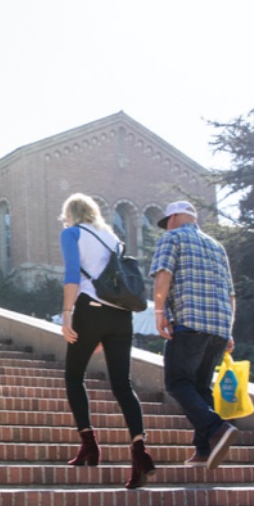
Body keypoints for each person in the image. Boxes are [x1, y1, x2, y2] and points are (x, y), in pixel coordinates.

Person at [57, 193, 154, 489]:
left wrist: (67, 313)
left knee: (74, 377)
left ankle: (89, 445)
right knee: (122, 385)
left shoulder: (72, 233)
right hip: (122, 316)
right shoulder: (113, 238)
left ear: (69, 214)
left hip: (91, 310)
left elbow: (73, 274)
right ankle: (140, 454)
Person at [149, 200, 239, 470]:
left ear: (174, 217)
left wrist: (159, 312)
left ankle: (216, 428)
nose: (167, 226)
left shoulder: (172, 238)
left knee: (177, 383)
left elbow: (163, 275)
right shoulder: (217, 246)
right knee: (200, 389)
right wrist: (229, 331)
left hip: (190, 322)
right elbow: (231, 293)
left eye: (168, 221)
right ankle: (203, 451)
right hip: (219, 328)